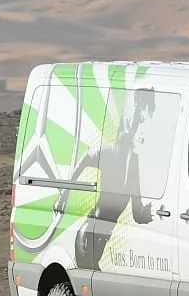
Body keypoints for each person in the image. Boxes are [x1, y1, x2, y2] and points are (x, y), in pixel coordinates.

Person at [55, 86, 158, 270]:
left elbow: (137, 213)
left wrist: (153, 213)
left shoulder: (133, 164)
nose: (137, 129)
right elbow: (84, 159)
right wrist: (64, 196)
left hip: (102, 235)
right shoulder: (110, 153)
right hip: (89, 234)